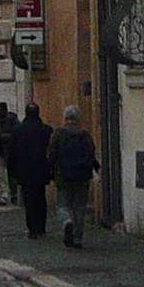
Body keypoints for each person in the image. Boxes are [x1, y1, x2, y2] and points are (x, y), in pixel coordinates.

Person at [50, 104, 100, 249]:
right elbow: (91, 153)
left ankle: (66, 222)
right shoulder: (85, 135)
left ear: (65, 118)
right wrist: (95, 168)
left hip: (63, 176)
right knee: (80, 208)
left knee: (62, 206)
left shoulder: (58, 134)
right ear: (79, 118)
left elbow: (50, 154)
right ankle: (78, 238)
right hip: (83, 176)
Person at [4, 103, 56, 240]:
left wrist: (11, 171)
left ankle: (32, 228)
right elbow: (52, 152)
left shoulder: (18, 130)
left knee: (29, 199)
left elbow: (12, 152)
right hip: (42, 169)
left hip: (24, 170)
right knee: (40, 196)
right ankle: (41, 226)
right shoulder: (47, 130)